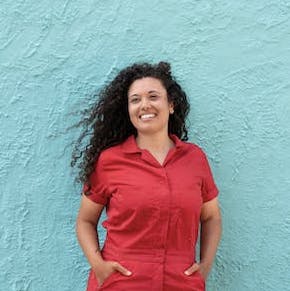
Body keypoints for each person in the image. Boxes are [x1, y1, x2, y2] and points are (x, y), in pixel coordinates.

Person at [72, 61, 222, 291]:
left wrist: (205, 266)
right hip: (121, 283)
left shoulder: (195, 159)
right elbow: (85, 220)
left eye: (153, 96)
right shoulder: (110, 161)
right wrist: (99, 265)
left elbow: (211, 217)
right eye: (135, 99)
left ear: (171, 104)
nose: (144, 105)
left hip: (180, 283)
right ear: (128, 109)